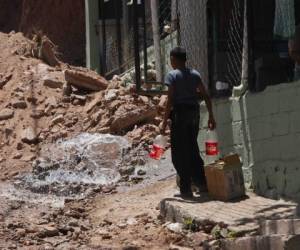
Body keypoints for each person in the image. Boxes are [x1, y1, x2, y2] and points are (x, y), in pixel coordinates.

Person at [160, 47, 216, 199]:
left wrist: (164, 122)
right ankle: (201, 184)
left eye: (171, 59)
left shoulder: (172, 75)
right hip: (194, 113)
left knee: (179, 153)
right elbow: (205, 95)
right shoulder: (195, 74)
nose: (170, 62)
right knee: (192, 148)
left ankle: (186, 189)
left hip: (180, 114)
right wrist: (211, 116)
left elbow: (170, 99)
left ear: (175, 60)